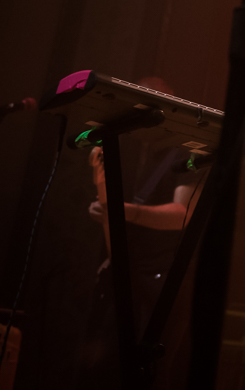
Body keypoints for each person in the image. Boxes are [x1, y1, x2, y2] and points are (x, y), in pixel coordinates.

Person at [77, 76, 208, 390]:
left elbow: (182, 215)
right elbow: (122, 220)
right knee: (108, 367)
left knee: (151, 371)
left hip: (165, 278)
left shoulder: (185, 153)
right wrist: (107, 211)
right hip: (132, 274)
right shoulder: (136, 153)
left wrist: (124, 212)